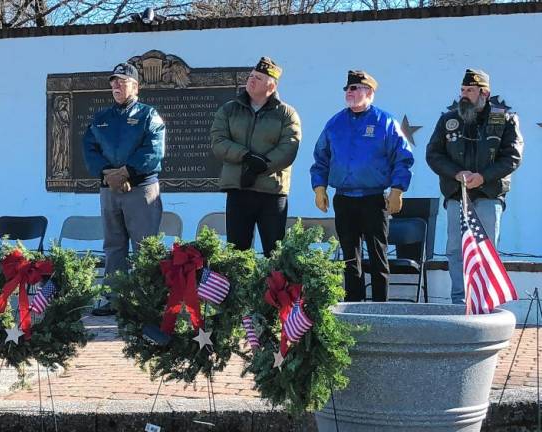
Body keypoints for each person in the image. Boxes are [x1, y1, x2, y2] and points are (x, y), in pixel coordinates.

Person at [310, 70, 414, 302]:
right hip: (344, 199)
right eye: (348, 88)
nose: (349, 92)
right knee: (349, 257)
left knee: (378, 255)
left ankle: (380, 308)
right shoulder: (335, 123)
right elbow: (321, 158)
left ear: (369, 92)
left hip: (373, 199)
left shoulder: (385, 122)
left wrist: (397, 189)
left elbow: (403, 157)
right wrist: (319, 188)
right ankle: (353, 306)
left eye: (355, 88)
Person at [426, 68, 523, 304]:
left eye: (470, 90)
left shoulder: (506, 119)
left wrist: (484, 176)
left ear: (485, 93)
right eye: (462, 89)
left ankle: (485, 302)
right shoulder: (448, 119)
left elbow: (512, 156)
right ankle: (459, 301)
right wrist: (456, 173)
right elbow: (433, 154)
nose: (464, 94)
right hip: (456, 194)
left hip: (488, 194)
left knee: (486, 250)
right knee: (455, 250)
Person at [82, 62, 165, 315]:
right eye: (113, 82)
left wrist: (126, 172)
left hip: (140, 189)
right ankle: (113, 298)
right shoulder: (101, 119)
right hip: (110, 190)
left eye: (122, 81)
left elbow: (153, 151)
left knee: (145, 246)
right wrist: (109, 174)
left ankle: (145, 300)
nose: (116, 86)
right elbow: (89, 149)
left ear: (136, 86)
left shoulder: (149, 115)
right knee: (113, 245)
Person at [210, 57, 301, 256]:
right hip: (239, 188)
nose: (251, 80)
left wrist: (261, 166)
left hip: (271, 191)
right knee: (237, 252)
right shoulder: (229, 110)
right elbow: (218, 142)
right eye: (251, 76)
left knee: (274, 252)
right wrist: (246, 157)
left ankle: (274, 288)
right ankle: (238, 287)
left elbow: (289, 147)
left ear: (272, 84)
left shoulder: (286, 113)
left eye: (258, 78)